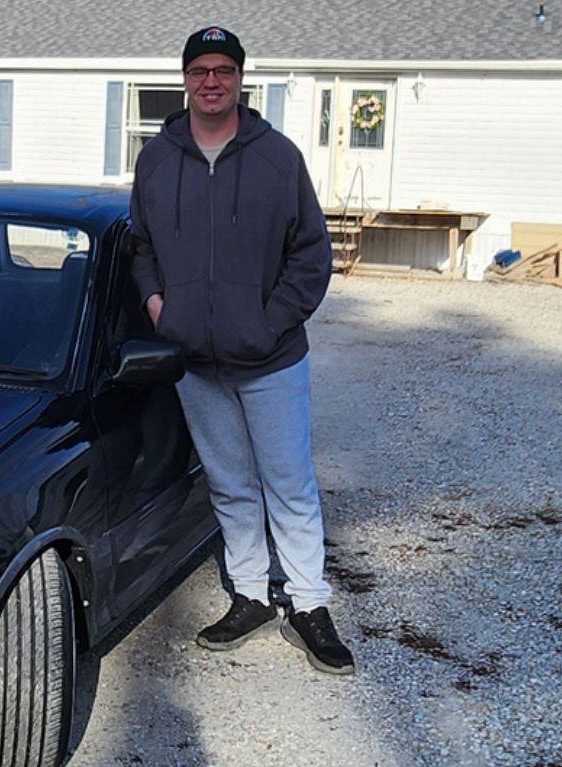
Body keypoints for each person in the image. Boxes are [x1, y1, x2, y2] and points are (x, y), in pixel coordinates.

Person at [129, 26, 354, 675]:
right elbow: (141, 245)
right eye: (199, 69)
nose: (211, 80)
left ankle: (309, 605)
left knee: (288, 484)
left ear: (239, 78)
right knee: (229, 485)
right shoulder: (157, 158)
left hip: (271, 359)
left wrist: (267, 322)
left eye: (223, 69)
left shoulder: (277, 158)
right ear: (185, 79)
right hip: (196, 363)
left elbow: (312, 254)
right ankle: (252, 597)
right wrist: (155, 305)